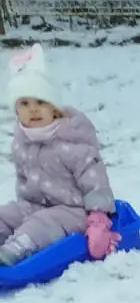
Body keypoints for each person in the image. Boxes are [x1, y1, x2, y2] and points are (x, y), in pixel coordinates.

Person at [1, 46, 117, 269]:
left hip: (73, 212)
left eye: (40, 102)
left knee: (41, 224)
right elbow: (23, 182)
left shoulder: (73, 142)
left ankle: (14, 250)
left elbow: (96, 183)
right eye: (24, 104)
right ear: (16, 111)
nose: (33, 110)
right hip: (32, 207)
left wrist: (99, 219)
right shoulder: (22, 143)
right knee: (6, 215)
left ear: (55, 108)